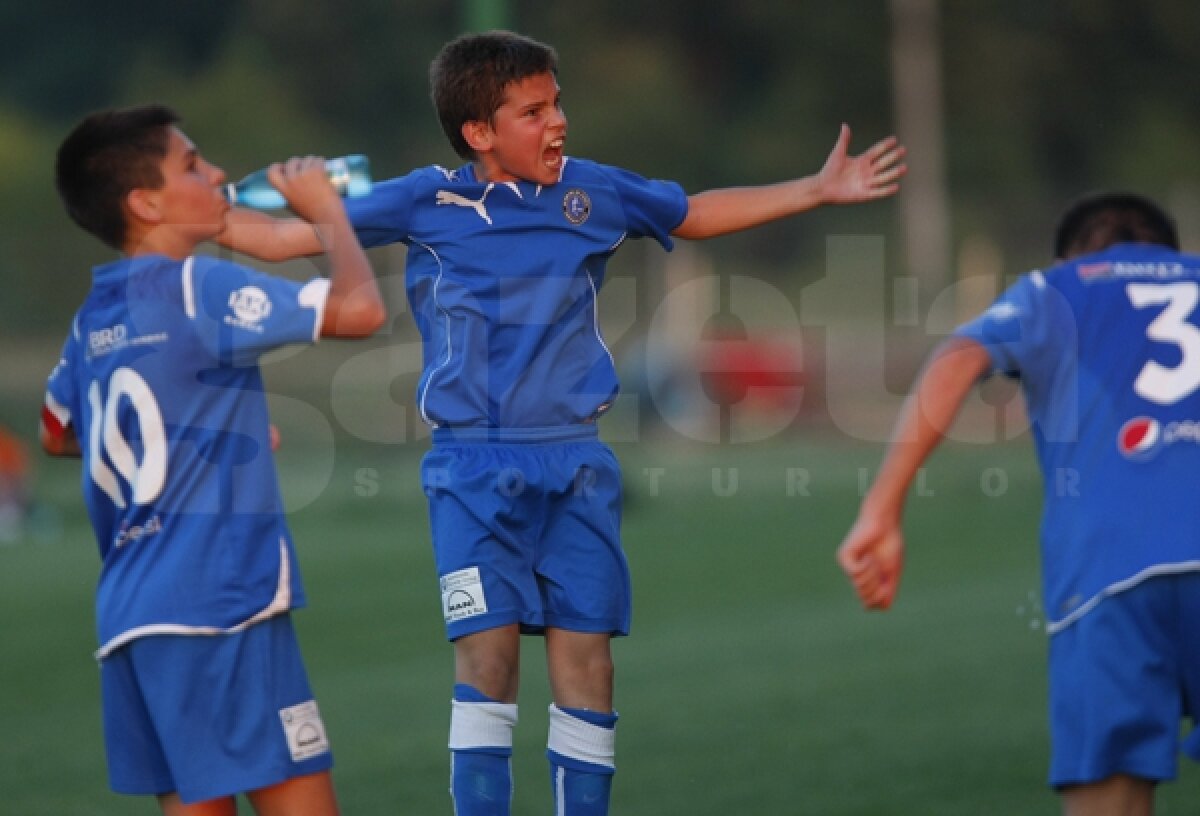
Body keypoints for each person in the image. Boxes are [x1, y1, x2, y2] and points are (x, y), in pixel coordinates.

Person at [221, 30, 905, 816]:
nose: (558, 123)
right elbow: (276, 237)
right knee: (490, 662)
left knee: (590, 669)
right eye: (533, 111)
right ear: (479, 132)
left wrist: (814, 190)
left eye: (558, 104)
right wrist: (203, 217)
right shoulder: (426, 200)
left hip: (577, 465)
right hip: (473, 470)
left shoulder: (592, 193)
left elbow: (689, 212)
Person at [41, 104, 385, 815]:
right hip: (220, 602)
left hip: (132, 616)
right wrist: (327, 213)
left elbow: (57, 431)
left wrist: (197, 428)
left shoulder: (93, 318)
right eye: (192, 164)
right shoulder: (199, 287)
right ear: (147, 201)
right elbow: (360, 312)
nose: (217, 173)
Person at [839, 192, 1200, 815]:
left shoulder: (1055, 287)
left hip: (1109, 571)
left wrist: (882, 507)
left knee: (1108, 799)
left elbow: (956, 360)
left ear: (1072, 253)